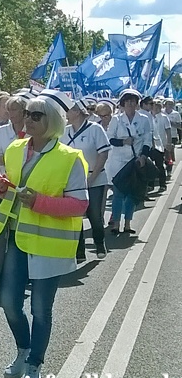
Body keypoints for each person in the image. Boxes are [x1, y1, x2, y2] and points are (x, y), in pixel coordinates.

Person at [0, 90, 89, 378]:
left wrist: (39, 202)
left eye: (35, 115)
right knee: (8, 302)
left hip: (49, 245)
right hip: (16, 237)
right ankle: (23, 350)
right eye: (26, 113)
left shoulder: (71, 158)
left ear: (53, 121)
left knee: (41, 310)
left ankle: (34, 364)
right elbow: (13, 190)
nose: (27, 119)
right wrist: (2, 189)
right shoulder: (15, 149)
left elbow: (79, 204)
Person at [61, 100, 109, 261]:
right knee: (75, 215)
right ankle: (79, 250)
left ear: (77, 111)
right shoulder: (64, 132)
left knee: (94, 214)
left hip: (94, 178)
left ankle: (99, 242)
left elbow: (103, 154)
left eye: (68, 110)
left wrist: (92, 178)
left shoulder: (95, 129)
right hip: (73, 181)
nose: (66, 114)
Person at [105, 89, 151, 235]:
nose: (130, 104)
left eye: (133, 102)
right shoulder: (116, 120)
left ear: (137, 104)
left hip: (135, 161)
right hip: (118, 162)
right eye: (128, 102)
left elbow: (147, 140)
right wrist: (123, 141)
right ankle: (116, 224)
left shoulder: (144, 119)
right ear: (123, 104)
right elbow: (110, 138)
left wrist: (143, 156)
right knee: (118, 193)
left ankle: (128, 224)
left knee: (132, 193)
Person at [145, 96, 171, 191]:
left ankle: (162, 184)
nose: (155, 108)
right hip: (150, 145)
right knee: (150, 166)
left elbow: (168, 131)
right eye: (154, 106)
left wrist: (169, 143)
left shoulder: (164, 117)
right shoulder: (148, 117)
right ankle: (150, 185)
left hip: (160, 144)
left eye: (157, 106)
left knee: (160, 165)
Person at [163, 99, 180, 172]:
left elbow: (180, 125)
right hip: (162, 136)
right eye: (168, 104)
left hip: (172, 135)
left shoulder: (176, 114)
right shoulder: (161, 112)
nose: (169, 105)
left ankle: (169, 168)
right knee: (163, 153)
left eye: (171, 104)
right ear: (165, 105)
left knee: (169, 152)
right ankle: (166, 165)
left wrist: (172, 123)